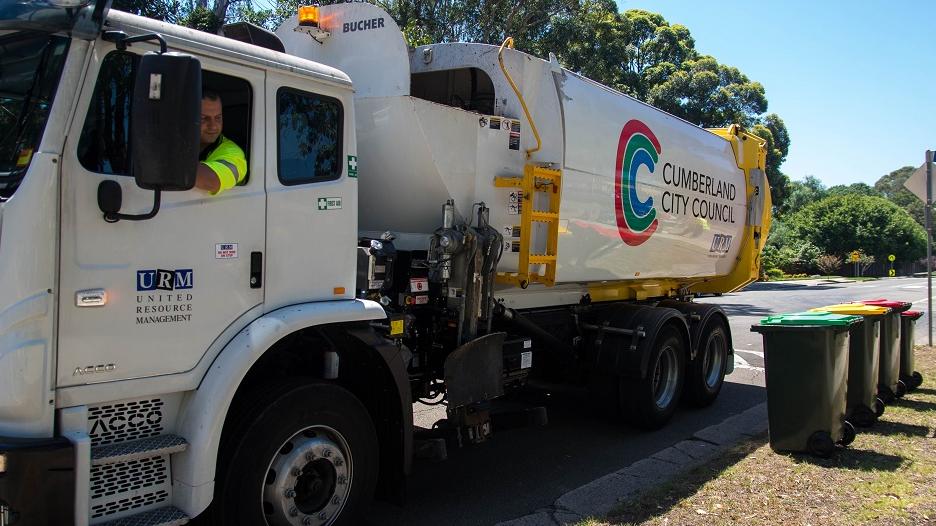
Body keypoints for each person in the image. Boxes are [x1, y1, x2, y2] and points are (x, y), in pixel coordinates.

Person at [196, 91, 247, 194]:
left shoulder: (233, 152)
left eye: (218, 118)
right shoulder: (177, 142)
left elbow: (212, 181)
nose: (213, 126)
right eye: (203, 118)